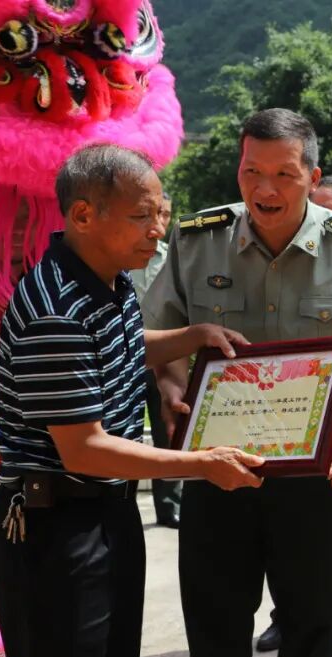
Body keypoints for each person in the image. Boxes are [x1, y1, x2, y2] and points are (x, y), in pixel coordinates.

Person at [143, 108, 332, 657]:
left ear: (312, 176)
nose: (265, 188)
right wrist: (173, 387)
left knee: (312, 630)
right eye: (250, 171)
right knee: (215, 631)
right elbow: (161, 336)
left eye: (283, 174)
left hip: (315, 478)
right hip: (216, 467)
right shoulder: (196, 240)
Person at [0, 143, 264, 657]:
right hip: (57, 529)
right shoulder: (55, 311)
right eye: (142, 215)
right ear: (84, 215)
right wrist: (202, 463)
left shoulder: (107, 282)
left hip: (105, 515)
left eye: (161, 213)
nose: (157, 230)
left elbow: (123, 347)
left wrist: (192, 336)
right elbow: (84, 449)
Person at [256, 171, 332, 653]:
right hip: (268, 430)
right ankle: (285, 616)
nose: (327, 220)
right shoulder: (274, 258)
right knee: (282, 545)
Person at [129, 190, 183, 528]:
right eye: (152, 213)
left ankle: (169, 504)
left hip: (164, 357)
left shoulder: (170, 257)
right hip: (128, 358)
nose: (160, 221)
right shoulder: (123, 255)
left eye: (165, 214)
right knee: (125, 432)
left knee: (167, 431)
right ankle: (125, 502)